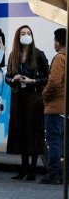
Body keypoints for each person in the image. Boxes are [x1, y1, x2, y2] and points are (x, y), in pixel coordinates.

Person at [5, 25, 49, 181]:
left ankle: (32, 171)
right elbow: (7, 77)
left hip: (34, 98)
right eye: (23, 33)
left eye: (28, 33)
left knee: (34, 132)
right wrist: (13, 79)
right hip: (18, 98)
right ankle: (23, 169)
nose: (25, 35)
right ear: (18, 36)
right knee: (20, 132)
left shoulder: (38, 54)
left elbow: (47, 78)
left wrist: (33, 80)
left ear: (32, 35)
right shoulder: (13, 55)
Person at [40, 28, 66, 185]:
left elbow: (54, 81)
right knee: (64, 142)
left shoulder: (59, 58)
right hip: (65, 108)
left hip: (55, 108)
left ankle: (53, 174)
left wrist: (44, 94)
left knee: (54, 141)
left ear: (57, 41)